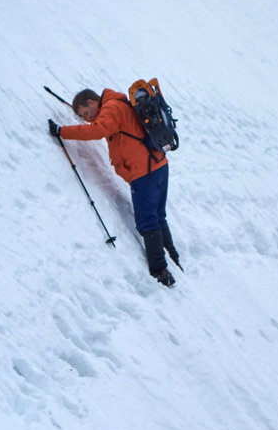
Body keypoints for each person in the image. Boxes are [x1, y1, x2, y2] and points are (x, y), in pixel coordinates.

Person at [49, 88, 180, 287]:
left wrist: (62, 131)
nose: (87, 119)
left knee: (147, 221)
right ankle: (173, 255)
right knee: (158, 215)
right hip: (158, 164)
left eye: (86, 113)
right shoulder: (117, 104)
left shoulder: (111, 108)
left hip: (143, 172)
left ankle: (160, 271)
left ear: (92, 102)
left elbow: (98, 130)